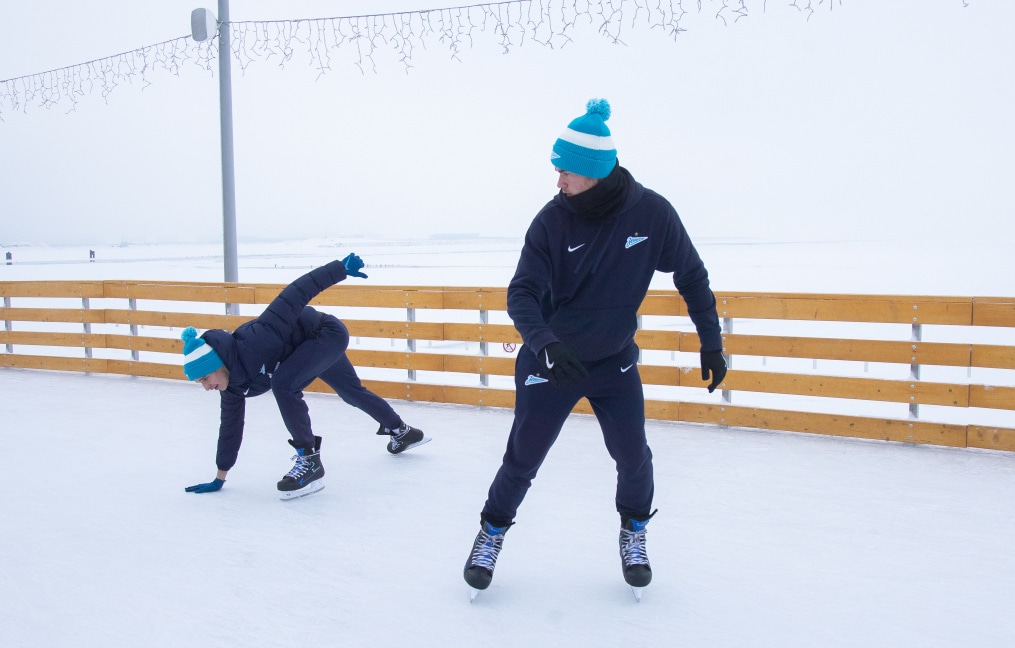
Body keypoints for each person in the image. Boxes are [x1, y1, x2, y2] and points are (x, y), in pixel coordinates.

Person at [463, 99, 727, 596]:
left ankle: (634, 531)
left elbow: (691, 275)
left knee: (633, 456)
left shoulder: (652, 213)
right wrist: (545, 343)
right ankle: (491, 533)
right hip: (552, 362)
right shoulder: (551, 221)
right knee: (523, 458)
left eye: (565, 170)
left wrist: (711, 343)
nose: (557, 178)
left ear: (593, 171)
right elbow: (521, 293)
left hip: (612, 362)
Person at [182, 253, 430, 500]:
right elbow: (230, 427)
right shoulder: (231, 387)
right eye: (200, 382)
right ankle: (402, 431)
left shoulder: (255, 340)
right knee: (350, 391)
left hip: (325, 333)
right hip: (306, 349)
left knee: (284, 384)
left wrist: (339, 269)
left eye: (205, 378)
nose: (206, 387)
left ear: (216, 363)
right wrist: (220, 476)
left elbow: (293, 295)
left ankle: (309, 460)